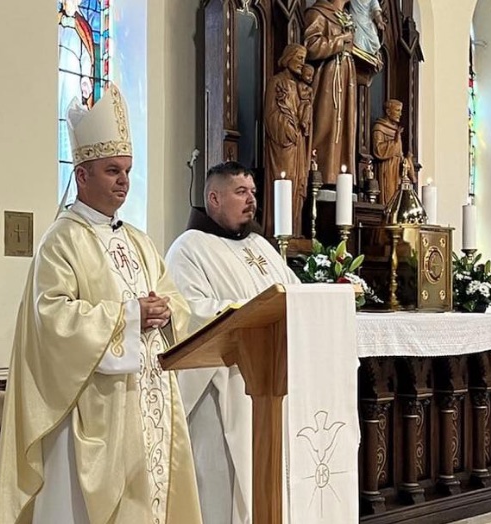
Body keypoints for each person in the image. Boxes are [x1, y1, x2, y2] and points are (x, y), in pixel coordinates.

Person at [0, 83, 202, 524]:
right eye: (112, 171)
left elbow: (173, 301)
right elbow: (53, 318)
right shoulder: (61, 240)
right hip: (91, 409)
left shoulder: (139, 241)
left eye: (127, 171)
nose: (124, 181)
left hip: (148, 401)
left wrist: (165, 311)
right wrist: (130, 315)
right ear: (83, 175)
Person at [166, 161, 300, 524]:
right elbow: (188, 313)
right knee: (221, 491)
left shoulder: (261, 246)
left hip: (270, 384)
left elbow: (294, 296)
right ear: (214, 198)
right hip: (221, 389)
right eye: (241, 192)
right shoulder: (189, 248)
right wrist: (249, 313)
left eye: (252, 192)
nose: (251, 200)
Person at [303, 0, 357, 186]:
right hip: (328, 76)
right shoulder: (317, 14)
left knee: (346, 125)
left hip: (346, 77)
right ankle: (320, 172)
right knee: (326, 120)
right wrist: (341, 40)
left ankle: (342, 175)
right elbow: (311, 46)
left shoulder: (347, 18)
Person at [264, 44, 308, 237]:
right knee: (284, 182)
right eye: (299, 58)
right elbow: (271, 116)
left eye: (304, 59)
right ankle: (279, 232)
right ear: (288, 57)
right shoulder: (276, 82)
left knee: (297, 186)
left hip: (298, 145)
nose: (302, 63)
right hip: (283, 145)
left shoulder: (299, 87)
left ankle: (294, 230)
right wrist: (288, 130)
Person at [372, 99, 414, 205]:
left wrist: (405, 160)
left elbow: (399, 152)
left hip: (397, 169)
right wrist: (395, 142)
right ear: (388, 111)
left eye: (401, 111)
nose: (400, 114)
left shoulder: (396, 129)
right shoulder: (379, 127)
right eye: (397, 110)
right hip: (387, 168)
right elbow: (378, 150)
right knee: (389, 199)